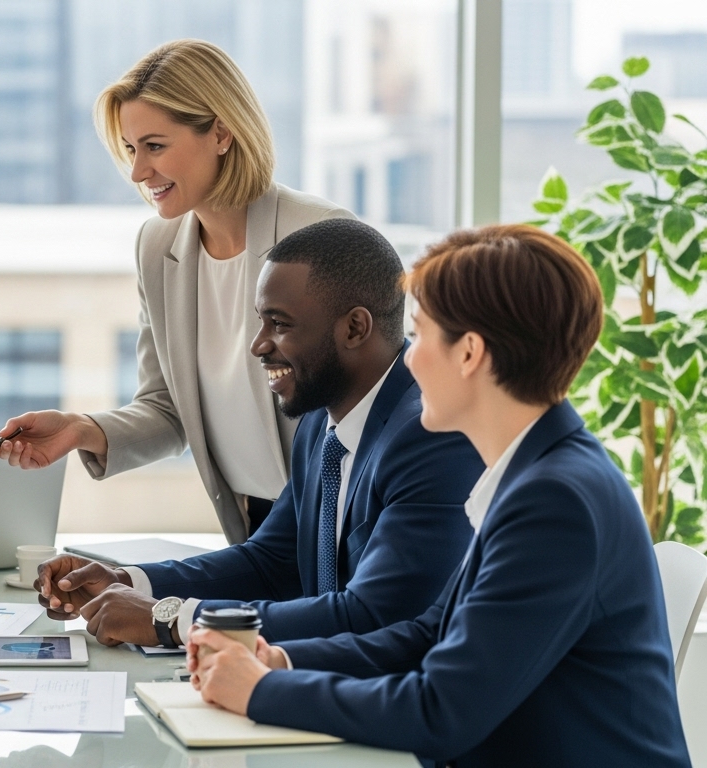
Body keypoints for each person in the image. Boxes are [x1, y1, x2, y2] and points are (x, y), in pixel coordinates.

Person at [186, 225, 692, 767]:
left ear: (470, 353)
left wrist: (259, 691)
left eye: (422, 335)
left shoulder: (555, 500)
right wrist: (279, 660)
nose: (407, 359)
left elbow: (442, 711)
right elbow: (429, 635)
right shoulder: (536, 473)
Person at [35, 219, 482, 647]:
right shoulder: (319, 421)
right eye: (260, 321)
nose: (258, 344)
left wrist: (170, 619)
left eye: (280, 324)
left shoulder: (430, 435)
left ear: (354, 328)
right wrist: (129, 581)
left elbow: (373, 616)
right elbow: (272, 561)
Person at [0, 39, 356, 543]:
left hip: (339, 518)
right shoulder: (158, 247)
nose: (139, 172)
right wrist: (80, 428)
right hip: (251, 523)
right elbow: (166, 407)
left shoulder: (321, 234)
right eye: (130, 150)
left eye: (155, 146)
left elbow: (378, 402)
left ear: (222, 133)